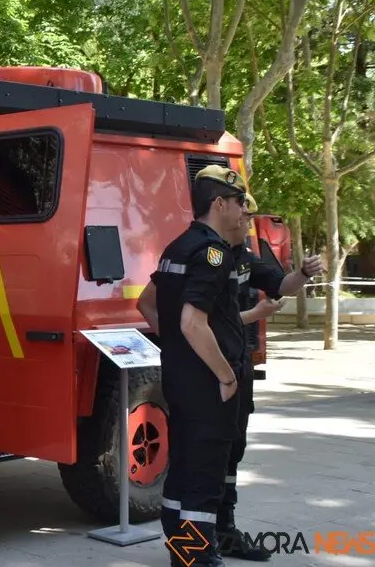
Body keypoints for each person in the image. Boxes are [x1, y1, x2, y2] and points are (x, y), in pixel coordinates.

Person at [139, 164, 249, 567]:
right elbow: (192, 321)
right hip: (207, 383)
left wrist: (177, 346)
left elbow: (147, 303)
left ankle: (180, 551)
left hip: (179, 378)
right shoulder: (213, 253)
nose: (242, 212)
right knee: (204, 475)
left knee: (182, 467)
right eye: (238, 203)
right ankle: (195, 559)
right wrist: (224, 374)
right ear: (219, 203)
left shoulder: (177, 247)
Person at [215, 191, 323, 561]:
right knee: (203, 456)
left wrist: (303, 274)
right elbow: (195, 321)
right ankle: (193, 544)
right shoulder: (204, 255)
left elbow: (281, 284)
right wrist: (253, 315)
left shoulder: (245, 255)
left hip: (237, 363)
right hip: (210, 369)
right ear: (220, 208)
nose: (250, 218)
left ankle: (224, 530)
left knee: (233, 447)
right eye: (245, 211)